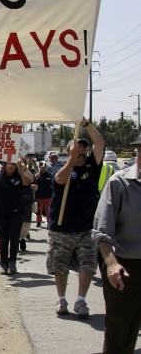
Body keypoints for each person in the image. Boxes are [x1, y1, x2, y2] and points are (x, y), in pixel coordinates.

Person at [48, 117, 104, 319]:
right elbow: (59, 180)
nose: (81, 152)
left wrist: (87, 125)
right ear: (70, 152)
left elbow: (100, 143)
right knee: (59, 265)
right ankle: (61, 299)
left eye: (84, 150)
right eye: (77, 149)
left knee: (87, 265)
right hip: (61, 228)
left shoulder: (92, 167)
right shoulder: (60, 168)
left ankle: (81, 300)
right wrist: (71, 160)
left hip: (86, 228)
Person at [92, 134, 141, 354]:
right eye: (140, 150)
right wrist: (111, 264)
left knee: (134, 327)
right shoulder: (119, 183)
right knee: (120, 328)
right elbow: (102, 231)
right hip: (124, 266)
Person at [0, 159, 34, 275]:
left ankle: (12, 261)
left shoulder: (19, 176)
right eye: (8, 163)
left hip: (16, 213)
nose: (10, 166)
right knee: (4, 239)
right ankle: (4, 264)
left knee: (14, 237)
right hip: (1, 213)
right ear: (4, 165)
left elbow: (27, 183)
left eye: (13, 164)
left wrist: (21, 169)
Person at [34, 161, 53, 227]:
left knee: (48, 210)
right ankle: (38, 222)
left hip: (48, 195)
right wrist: (39, 171)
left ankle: (49, 222)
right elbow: (35, 178)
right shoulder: (37, 173)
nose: (43, 167)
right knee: (39, 210)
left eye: (44, 165)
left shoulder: (49, 174)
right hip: (39, 195)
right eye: (41, 165)